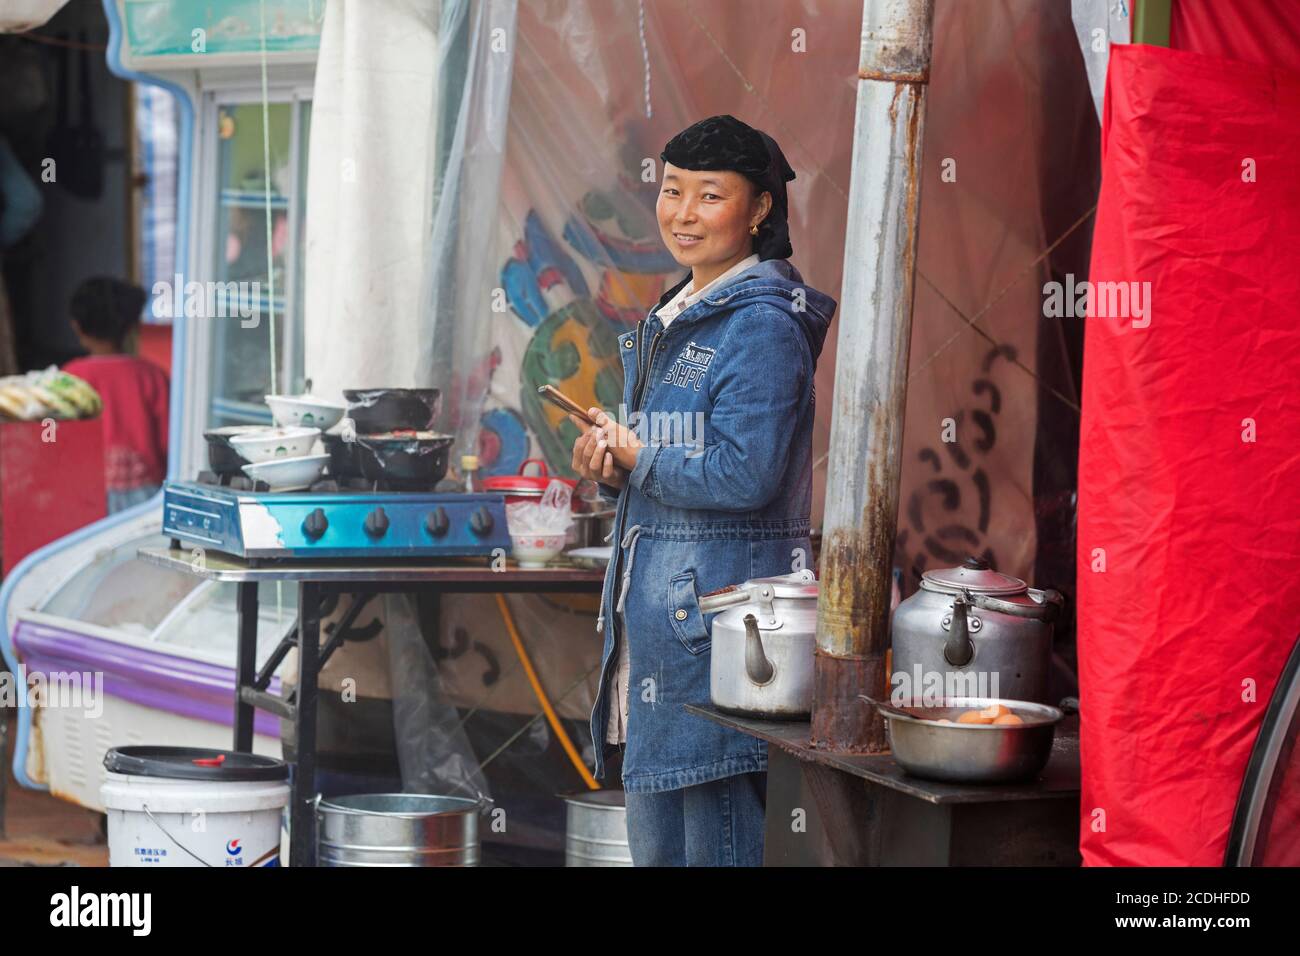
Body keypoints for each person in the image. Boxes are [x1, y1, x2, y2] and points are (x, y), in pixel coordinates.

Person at [569, 115, 836, 866]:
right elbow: (685, 461)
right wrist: (620, 464)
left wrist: (643, 455)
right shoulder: (681, 312)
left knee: (714, 843)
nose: (681, 213)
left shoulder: (760, 327)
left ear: (758, 210)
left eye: (708, 195)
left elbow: (747, 473)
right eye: (672, 190)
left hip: (718, 640)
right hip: (662, 639)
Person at [63, 277, 169, 513]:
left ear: (77, 326)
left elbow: (52, 439)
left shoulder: (68, 379)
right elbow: (167, 441)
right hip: (147, 495)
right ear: (131, 326)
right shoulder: (153, 377)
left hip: (85, 494)